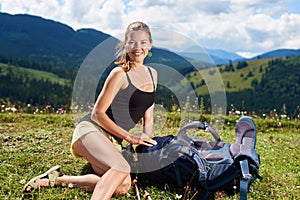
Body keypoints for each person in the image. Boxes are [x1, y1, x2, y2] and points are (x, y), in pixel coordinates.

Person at [23, 21, 158, 199]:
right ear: (125, 45)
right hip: (91, 131)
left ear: (150, 44)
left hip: (112, 142)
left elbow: (148, 117)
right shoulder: (119, 73)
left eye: (142, 42)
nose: (137, 47)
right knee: (121, 168)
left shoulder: (152, 74)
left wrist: (144, 147)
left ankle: (58, 179)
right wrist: (129, 137)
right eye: (132, 42)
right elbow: (97, 113)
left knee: (123, 186)